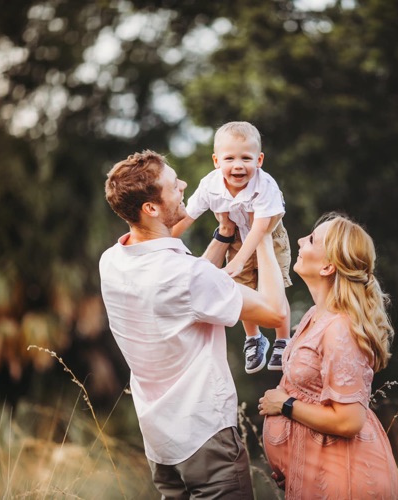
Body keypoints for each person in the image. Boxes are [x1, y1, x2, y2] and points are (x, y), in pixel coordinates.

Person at [99, 150, 287, 499]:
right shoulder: (185, 277)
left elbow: (185, 293)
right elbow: (275, 312)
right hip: (206, 437)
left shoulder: (112, 261)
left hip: (161, 444)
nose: (184, 185)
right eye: (173, 185)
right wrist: (260, 230)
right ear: (151, 208)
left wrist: (225, 233)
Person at [258, 213, 398, 499]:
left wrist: (285, 405)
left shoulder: (340, 328)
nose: (300, 240)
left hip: (344, 479)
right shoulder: (315, 315)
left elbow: (349, 421)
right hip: (316, 472)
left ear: (327, 266)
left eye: (311, 239)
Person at [172, 121, 293, 374]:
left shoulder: (265, 185)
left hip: (271, 236)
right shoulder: (210, 185)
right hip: (238, 237)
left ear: (259, 160)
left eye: (246, 158)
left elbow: (261, 228)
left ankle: (283, 339)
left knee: (274, 284)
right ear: (216, 161)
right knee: (242, 287)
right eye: (230, 158)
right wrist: (166, 238)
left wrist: (237, 262)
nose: (238, 165)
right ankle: (254, 338)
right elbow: (188, 216)